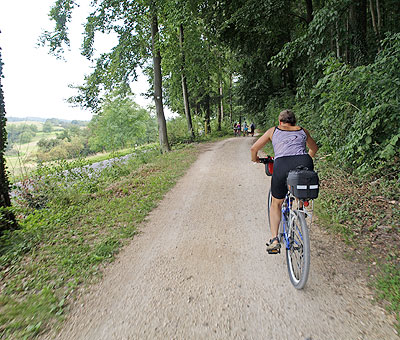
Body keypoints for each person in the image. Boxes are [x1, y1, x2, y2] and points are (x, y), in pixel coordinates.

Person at [250, 109, 318, 252]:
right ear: (295, 122)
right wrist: (305, 161)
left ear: (280, 122)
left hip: (282, 164)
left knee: (276, 203)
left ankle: (274, 240)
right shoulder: (303, 131)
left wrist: (255, 159)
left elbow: (254, 148)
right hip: (304, 162)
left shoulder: (273, 131)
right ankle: (300, 207)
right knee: (300, 184)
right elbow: (314, 148)